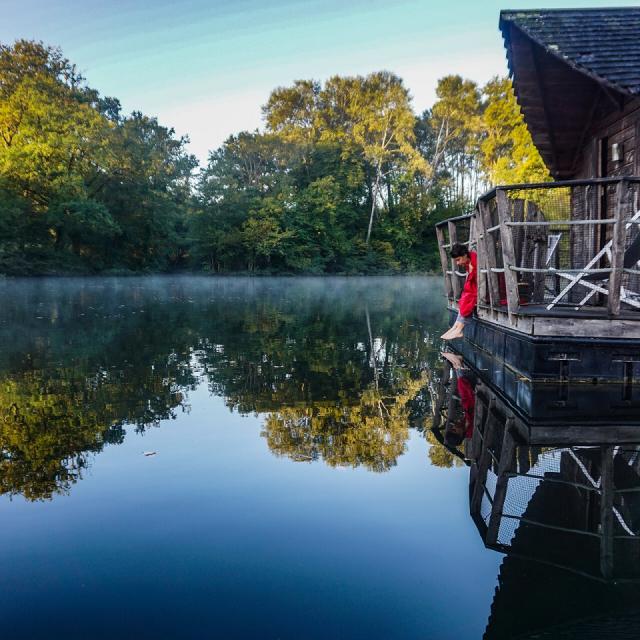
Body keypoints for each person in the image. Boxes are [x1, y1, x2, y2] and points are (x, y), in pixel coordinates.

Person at [441, 243, 477, 340]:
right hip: (475, 286)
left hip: (482, 288)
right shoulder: (468, 261)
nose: (457, 263)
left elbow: (478, 279)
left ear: (465, 255)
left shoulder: (475, 261)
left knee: (468, 298)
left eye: (458, 260)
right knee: (464, 296)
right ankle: (456, 326)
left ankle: (459, 329)